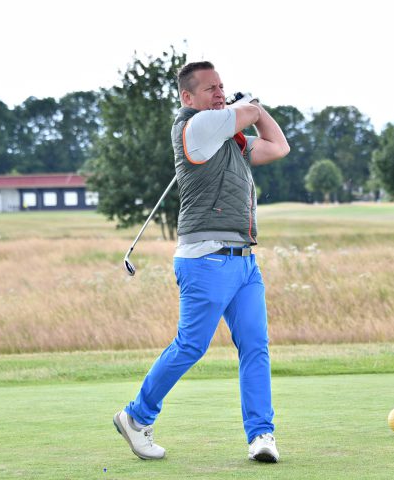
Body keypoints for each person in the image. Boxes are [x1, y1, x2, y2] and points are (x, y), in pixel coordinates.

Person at [113, 61, 290, 463]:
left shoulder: (232, 139)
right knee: (191, 345)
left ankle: (262, 434)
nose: (219, 93)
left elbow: (279, 147)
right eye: (210, 88)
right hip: (206, 259)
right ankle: (136, 416)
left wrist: (256, 111)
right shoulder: (194, 126)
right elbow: (243, 115)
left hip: (244, 262)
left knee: (255, 347)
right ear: (187, 97)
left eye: (222, 86)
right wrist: (253, 107)